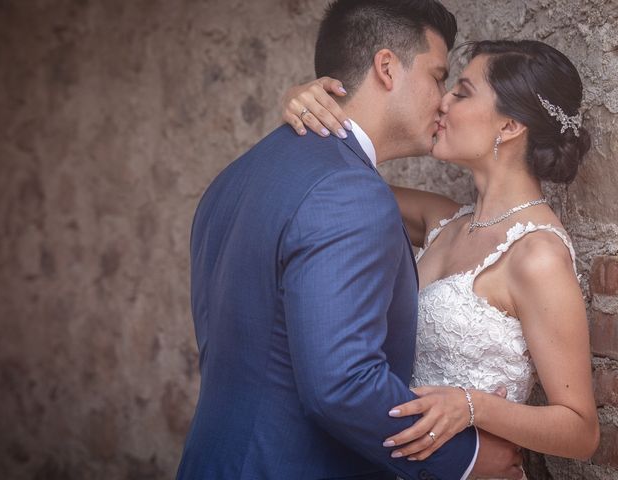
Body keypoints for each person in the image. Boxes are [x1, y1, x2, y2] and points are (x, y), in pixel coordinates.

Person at [176, 1, 525, 479]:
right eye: (438, 76)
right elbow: (341, 384)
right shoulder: (348, 192)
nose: (443, 99)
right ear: (386, 67)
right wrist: (465, 458)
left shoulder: (237, 176)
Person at [280, 38, 600, 474]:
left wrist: (473, 408)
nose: (442, 102)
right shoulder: (440, 220)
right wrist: (301, 103)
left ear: (508, 127)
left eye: (462, 92)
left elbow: (581, 431)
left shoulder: (538, 255)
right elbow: (332, 183)